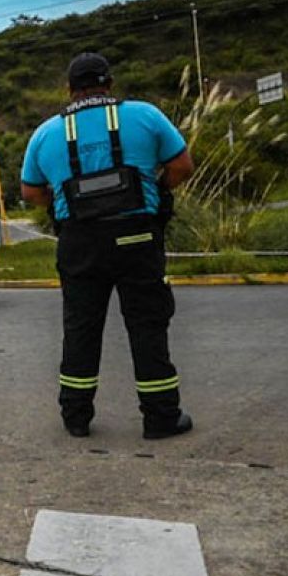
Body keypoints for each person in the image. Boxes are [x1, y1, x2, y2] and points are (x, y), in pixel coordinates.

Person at [20, 52, 195, 440]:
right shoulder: (144, 116)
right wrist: (157, 190)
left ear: (69, 90)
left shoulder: (47, 133)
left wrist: (60, 203)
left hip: (79, 243)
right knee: (147, 325)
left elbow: (30, 190)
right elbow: (182, 166)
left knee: (81, 328)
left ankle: (76, 417)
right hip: (137, 237)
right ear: (109, 84)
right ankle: (161, 417)